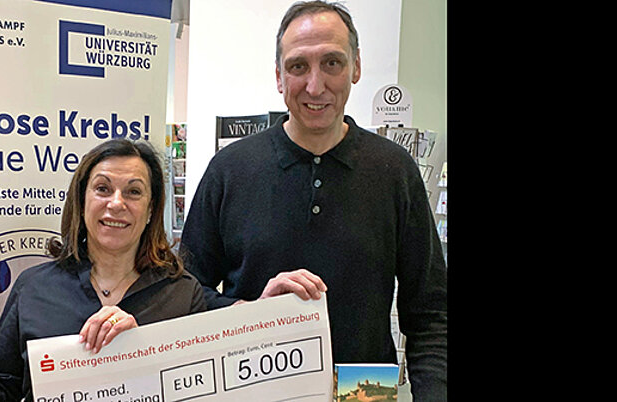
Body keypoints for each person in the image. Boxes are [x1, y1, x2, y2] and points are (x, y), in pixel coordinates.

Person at [179, 1, 447, 400]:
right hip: (255, 391)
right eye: (298, 66)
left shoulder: (394, 171)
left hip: (363, 393)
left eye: (332, 63)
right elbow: (184, 293)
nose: (315, 86)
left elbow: (431, 315)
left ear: (356, 67)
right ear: (279, 76)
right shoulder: (230, 170)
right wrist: (249, 313)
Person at [0, 139, 206, 401]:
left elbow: (201, 390)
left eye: (134, 192)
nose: (116, 203)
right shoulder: (34, 288)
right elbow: (1, 394)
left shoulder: (181, 294)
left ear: (151, 208)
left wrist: (141, 351)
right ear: (82, 200)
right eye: (102, 188)